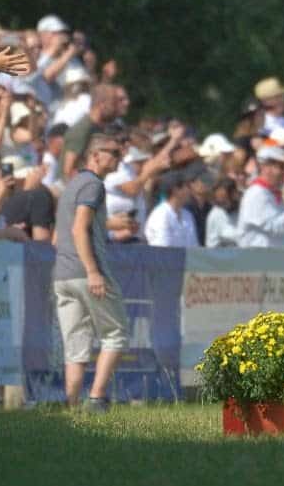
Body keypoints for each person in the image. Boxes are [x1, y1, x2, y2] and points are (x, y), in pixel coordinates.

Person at [52, 134, 130, 411]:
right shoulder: (94, 185)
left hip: (62, 275)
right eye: (113, 153)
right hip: (86, 272)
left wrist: (107, 225)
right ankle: (96, 398)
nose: (118, 159)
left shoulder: (72, 186)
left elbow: (58, 236)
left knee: (75, 343)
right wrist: (93, 271)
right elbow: (78, 228)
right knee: (116, 333)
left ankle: (71, 404)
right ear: (95, 155)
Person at [144, 169, 199, 248]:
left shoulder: (188, 215)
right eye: (187, 186)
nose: (191, 190)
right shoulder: (161, 215)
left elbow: (194, 247)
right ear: (175, 190)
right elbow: (163, 250)